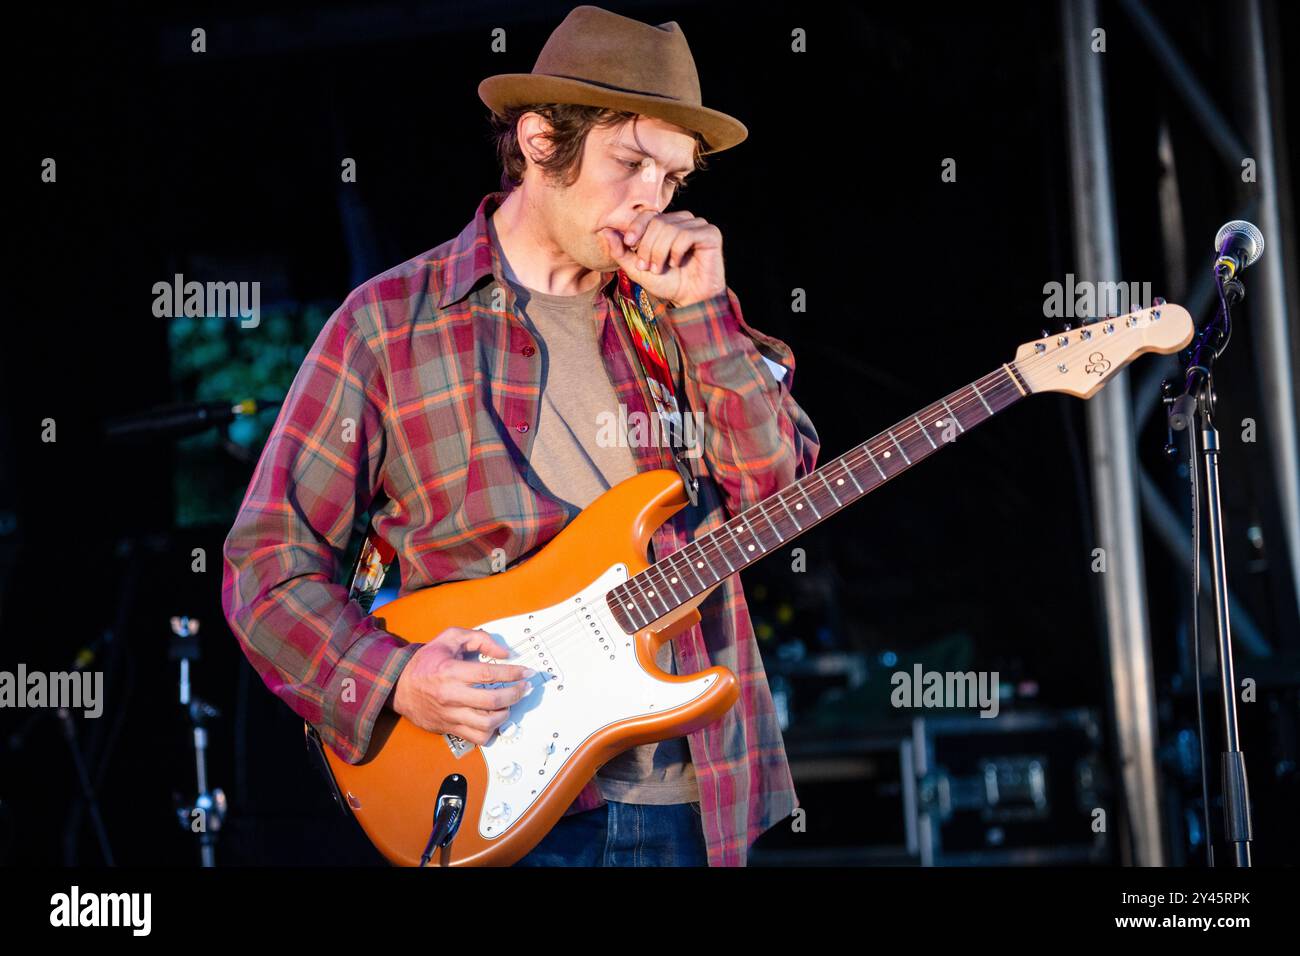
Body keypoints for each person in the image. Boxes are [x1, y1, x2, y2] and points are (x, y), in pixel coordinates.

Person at [221, 4, 820, 867]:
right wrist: (396, 678)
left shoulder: (684, 314)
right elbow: (266, 563)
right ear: (541, 142)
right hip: (490, 790)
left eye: (673, 179)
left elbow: (777, 497)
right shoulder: (388, 325)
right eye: (631, 163)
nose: (652, 201)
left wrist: (709, 322)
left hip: (690, 797)